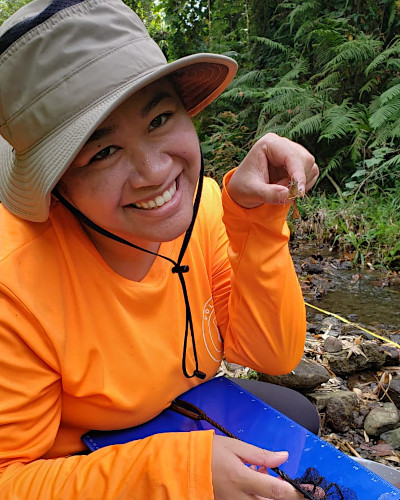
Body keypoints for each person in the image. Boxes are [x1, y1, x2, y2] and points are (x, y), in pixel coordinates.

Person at [0, 0, 320, 499]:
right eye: (103, 152)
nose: (155, 172)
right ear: (56, 184)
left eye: (160, 119)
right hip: (74, 461)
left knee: (297, 416)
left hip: (171, 412)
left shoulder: (204, 208)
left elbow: (271, 352)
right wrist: (175, 475)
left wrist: (254, 216)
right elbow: (9, 477)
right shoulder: (13, 285)